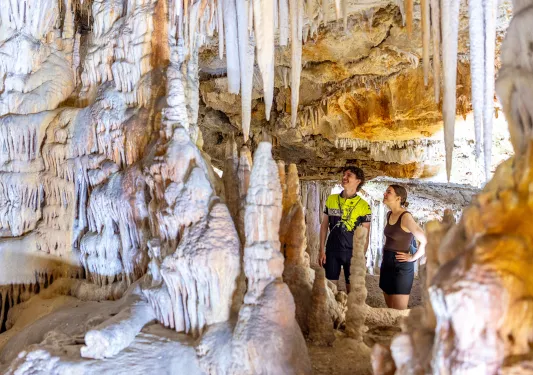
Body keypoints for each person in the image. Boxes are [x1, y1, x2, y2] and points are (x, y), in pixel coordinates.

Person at [318, 167, 371, 293]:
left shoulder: (364, 206)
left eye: (349, 175)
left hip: (352, 253)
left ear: (358, 181)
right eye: (343, 174)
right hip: (332, 251)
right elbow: (324, 225)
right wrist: (321, 250)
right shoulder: (331, 199)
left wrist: (361, 257)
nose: (344, 177)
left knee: (352, 292)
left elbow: (365, 234)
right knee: (330, 291)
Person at [380, 185, 427, 310]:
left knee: (399, 312)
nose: (384, 194)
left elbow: (425, 240)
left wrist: (413, 258)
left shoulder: (405, 217)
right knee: (390, 310)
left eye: (388, 192)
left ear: (398, 198)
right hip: (387, 263)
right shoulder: (389, 214)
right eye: (385, 191)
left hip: (401, 265)